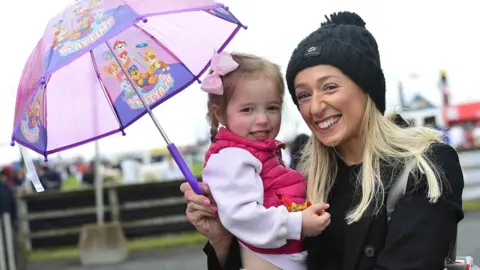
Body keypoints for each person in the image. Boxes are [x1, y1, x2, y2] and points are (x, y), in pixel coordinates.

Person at [181, 11, 464, 270]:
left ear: (366, 89)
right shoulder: (302, 172)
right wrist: (223, 240)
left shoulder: (424, 166)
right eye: (303, 95)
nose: (316, 107)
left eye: (329, 87)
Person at [198, 51, 330, 270]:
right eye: (247, 109)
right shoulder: (231, 158)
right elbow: (241, 216)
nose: (262, 119)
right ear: (219, 114)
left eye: (272, 108)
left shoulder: (258, 153)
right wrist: (297, 223)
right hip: (270, 259)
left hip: (283, 254)